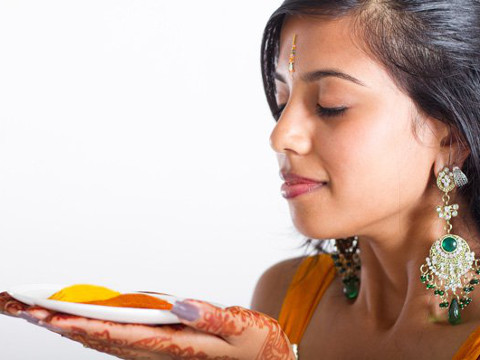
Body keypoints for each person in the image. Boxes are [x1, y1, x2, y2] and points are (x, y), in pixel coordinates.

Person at [3, 0, 480, 358]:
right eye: (281, 99)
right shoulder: (285, 293)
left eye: (331, 105)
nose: (281, 135)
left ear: (450, 138)